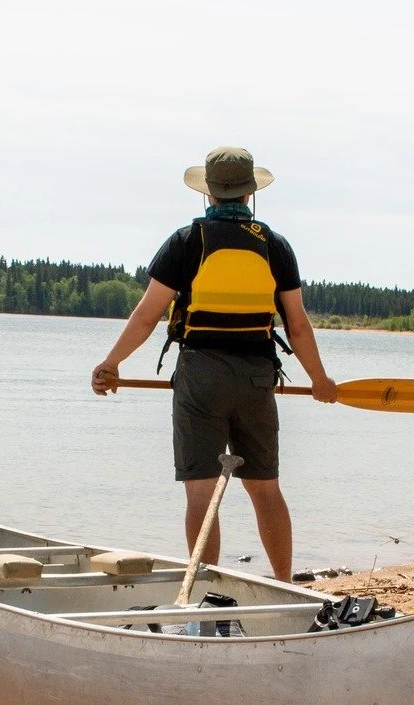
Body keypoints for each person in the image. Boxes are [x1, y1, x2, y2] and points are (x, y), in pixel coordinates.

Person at [91, 146, 337, 583]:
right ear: (249, 194)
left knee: (202, 493)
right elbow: (297, 325)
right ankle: (284, 584)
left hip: (200, 374)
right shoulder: (275, 246)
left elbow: (147, 315)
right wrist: (319, 380)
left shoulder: (186, 242)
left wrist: (111, 363)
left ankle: (206, 591)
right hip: (257, 377)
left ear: (208, 194)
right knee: (265, 489)